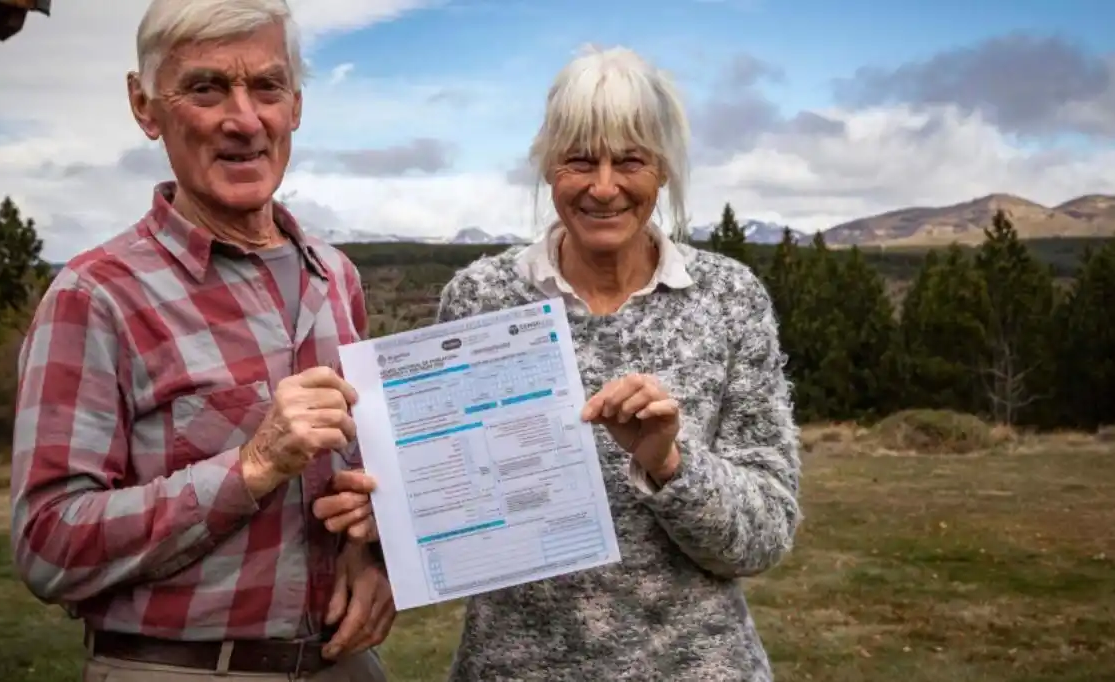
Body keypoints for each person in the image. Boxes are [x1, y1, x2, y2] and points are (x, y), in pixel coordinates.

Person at [316, 45, 803, 680]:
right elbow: (453, 490)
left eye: (629, 160)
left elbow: (763, 538)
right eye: (580, 160)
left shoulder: (729, 299)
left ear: (662, 170)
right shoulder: (481, 297)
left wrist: (668, 463)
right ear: (549, 167)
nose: (603, 187)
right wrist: (391, 515)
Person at [9, 1, 394, 680]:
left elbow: (361, 476)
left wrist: (377, 552)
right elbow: (48, 543)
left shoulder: (336, 277)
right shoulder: (95, 296)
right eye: (206, 88)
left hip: (343, 662)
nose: (244, 120)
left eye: (267, 87)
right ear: (145, 106)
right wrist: (253, 466)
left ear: (296, 106)